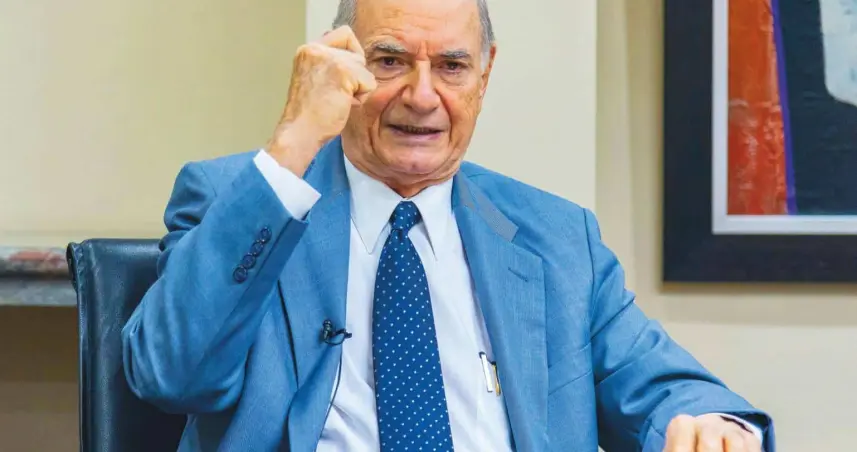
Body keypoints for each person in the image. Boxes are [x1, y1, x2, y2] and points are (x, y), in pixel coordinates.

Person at [121, 0, 775, 450]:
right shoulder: (244, 200)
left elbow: (661, 389)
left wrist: (711, 426)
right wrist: (293, 139)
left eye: (451, 67)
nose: (422, 95)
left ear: (484, 75)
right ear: (338, 65)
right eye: (389, 61)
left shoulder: (557, 240)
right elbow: (171, 373)